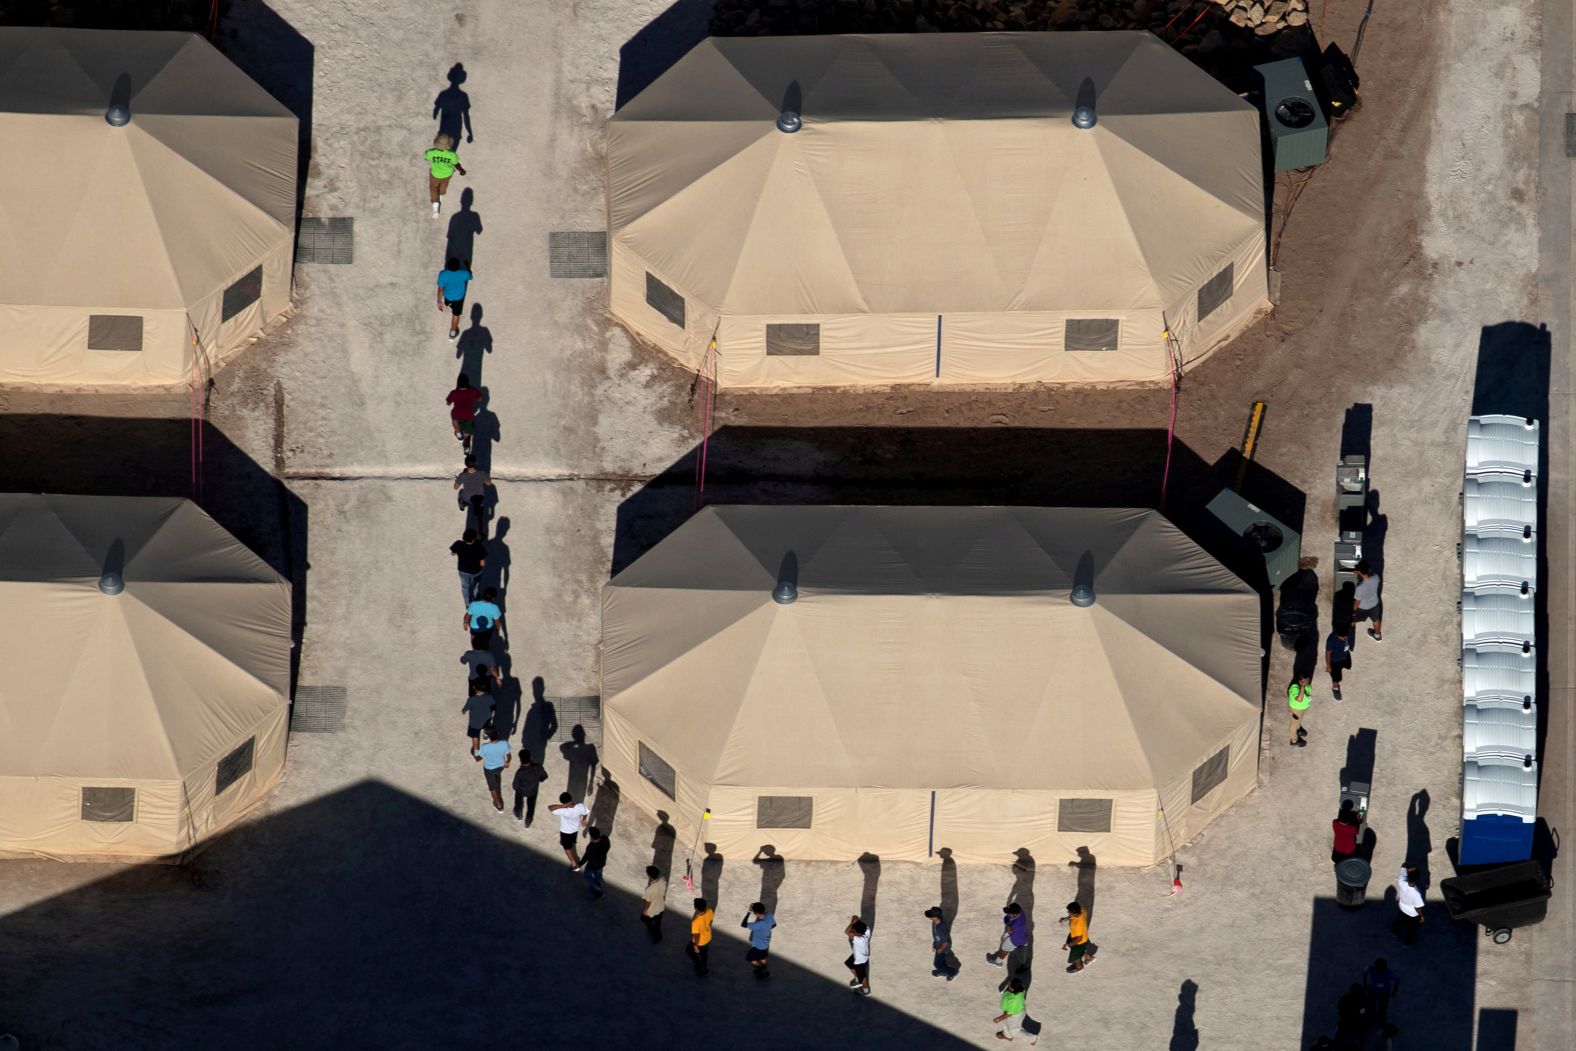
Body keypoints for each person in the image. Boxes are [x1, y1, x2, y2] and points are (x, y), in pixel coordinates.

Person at [424, 133, 466, 217]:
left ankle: (435, 206)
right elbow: (456, 164)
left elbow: (425, 157)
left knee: (433, 188)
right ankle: (441, 194)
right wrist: (462, 170)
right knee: (444, 185)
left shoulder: (431, 152)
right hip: (447, 174)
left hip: (435, 174)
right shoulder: (452, 154)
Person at [548, 792, 589, 868]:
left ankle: (573, 863)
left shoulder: (563, 810)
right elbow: (585, 812)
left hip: (565, 831)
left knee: (567, 848)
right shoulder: (580, 806)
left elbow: (550, 807)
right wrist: (584, 819)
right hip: (575, 829)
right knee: (572, 841)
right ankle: (571, 843)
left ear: (563, 802)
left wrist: (563, 806)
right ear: (571, 798)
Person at [436, 257, 474, 340]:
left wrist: (439, 301)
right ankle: (452, 333)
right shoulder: (463, 273)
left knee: (449, 302)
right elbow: (471, 277)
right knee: (456, 315)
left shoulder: (442, 274)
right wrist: (468, 267)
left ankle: (448, 304)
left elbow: (441, 289)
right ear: (458, 266)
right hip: (459, 298)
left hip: (448, 296)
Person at [476, 725, 510, 813]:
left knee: (492, 788)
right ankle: (497, 777)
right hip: (500, 767)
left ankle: (499, 806)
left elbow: (478, 759)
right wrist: (507, 761)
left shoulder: (485, 747)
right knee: (497, 777)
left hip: (489, 769)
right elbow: (509, 755)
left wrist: (476, 750)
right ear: (498, 733)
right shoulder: (504, 743)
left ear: (488, 736)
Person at [993, 977, 1037, 1044]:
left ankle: (1032, 1038)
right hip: (1009, 1011)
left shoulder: (1014, 1000)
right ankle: (1007, 1036)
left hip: (1015, 1016)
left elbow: (1009, 1014)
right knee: (1005, 1023)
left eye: (1010, 984)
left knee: (1014, 1031)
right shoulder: (1017, 990)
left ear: (1012, 988)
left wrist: (999, 1018)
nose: (1008, 983)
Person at [446, 375, 484, 452]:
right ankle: (466, 449)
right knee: (467, 435)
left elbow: (448, 403)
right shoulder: (472, 391)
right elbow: (480, 398)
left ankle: (459, 435)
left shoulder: (454, 393)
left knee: (455, 420)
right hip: (469, 416)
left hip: (457, 415)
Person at [511, 748, 548, 826]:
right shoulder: (538, 767)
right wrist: (539, 780)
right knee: (531, 807)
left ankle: (519, 815)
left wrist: (516, 788)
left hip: (521, 791)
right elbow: (545, 776)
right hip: (533, 791)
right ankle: (528, 823)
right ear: (530, 757)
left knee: (518, 803)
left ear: (520, 760)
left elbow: (515, 785)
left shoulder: (520, 772)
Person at [449, 528, 486, 605]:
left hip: (463, 570)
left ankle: (467, 603)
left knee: (465, 587)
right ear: (474, 538)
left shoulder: (458, 544)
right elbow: (482, 563)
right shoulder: (480, 547)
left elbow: (452, 553)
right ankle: (475, 597)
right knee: (476, 585)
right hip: (476, 571)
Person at [986, 902, 1028, 967]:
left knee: (1004, 948)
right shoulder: (1019, 911)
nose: (1007, 913)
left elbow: (1009, 930)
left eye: (1009, 912)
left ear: (1014, 914)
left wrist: (1004, 936)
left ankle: (997, 962)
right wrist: (1007, 925)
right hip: (1023, 938)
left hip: (1015, 940)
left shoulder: (1016, 925)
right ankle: (1023, 963)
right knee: (1022, 956)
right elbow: (1008, 920)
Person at [741, 902, 776, 980]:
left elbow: (743, 924)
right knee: (763, 957)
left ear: (756, 913)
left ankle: (762, 971)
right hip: (765, 943)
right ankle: (764, 970)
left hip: (758, 946)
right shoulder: (769, 914)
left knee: (749, 958)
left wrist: (749, 911)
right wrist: (765, 930)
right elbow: (774, 925)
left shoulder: (759, 924)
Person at [453, 454, 493, 522]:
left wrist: (458, 479)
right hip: (480, 498)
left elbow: (455, 487)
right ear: (476, 463)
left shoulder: (462, 475)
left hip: (467, 498)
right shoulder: (482, 474)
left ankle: (462, 504)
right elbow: (489, 484)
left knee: (461, 491)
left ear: (465, 464)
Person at [1061, 900, 1097, 973]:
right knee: (1074, 948)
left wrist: (1067, 945)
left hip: (1079, 942)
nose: (1068, 912)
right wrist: (1066, 919)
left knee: (1075, 956)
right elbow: (1072, 916)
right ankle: (1089, 958)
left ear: (1075, 913)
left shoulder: (1078, 925)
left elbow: (1078, 939)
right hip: (1079, 935)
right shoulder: (1081, 909)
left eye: (1069, 911)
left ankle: (1079, 967)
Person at [461, 678, 494, 756]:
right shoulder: (490, 697)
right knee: (486, 727)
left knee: (475, 737)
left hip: (474, 722)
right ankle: (485, 735)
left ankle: (476, 753)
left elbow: (465, 708)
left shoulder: (471, 699)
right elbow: (493, 706)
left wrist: (463, 711)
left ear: (474, 688)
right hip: (487, 719)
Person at [1393, 864, 1424, 944]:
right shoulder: (1416, 893)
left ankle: (1395, 932)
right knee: (1411, 929)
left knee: (1399, 920)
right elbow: (1418, 907)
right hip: (1412, 914)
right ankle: (1407, 942)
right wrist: (1421, 915)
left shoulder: (1401, 881)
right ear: (1417, 879)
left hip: (1402, 907)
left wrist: (1408, 867)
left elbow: (1403, 865)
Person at [1363, 958, 1400, 1027]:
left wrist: (1395, 990)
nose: (1378, 968)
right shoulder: (1372, 969)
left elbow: (1397, 980)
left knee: (1382, 1007)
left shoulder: (1388, 972)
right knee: (1372, 1006)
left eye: (1380, 967)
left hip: (1383, 992)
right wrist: (1364, 984)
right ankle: (1374, 1019)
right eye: (1377, 966)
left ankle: (1380, 1019)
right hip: (1375, 991)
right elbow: (1364, 972)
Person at [924, 906, 957, 981]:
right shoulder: (935, 921)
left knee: (937, 964)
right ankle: (944, 970)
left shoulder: (940, 928)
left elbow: (945, 942)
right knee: (941, 961)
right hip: (938, 944)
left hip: (943, 948)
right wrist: (935, 944)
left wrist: (940, 949)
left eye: (931, 916)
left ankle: (952, 972)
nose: (930, 917)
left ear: (936, 917)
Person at [1353, 560, 1383, 641]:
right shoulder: (1376, 577)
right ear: (1369, 569)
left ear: (1359, 572)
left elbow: (1357, 602)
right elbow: (1368, 582)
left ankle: (1349, 637)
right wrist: (1360, 575)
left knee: (1352, 620)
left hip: (1363, 608)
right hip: (1375, 604)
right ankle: (1377, 636)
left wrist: (1352, 611)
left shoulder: (1359, 588)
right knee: (1376, 620)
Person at [844, 916, 872, 996]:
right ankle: (857, 979)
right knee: (849, 963)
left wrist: (852, 923)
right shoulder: (867, 930)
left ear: (857, 933)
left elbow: (847, 932)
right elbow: (855, 917)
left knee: (862, 977)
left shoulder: (858, 940)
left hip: (860, 961)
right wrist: (855, 923)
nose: (853, 930)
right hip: (859, 956)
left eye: (855, 930)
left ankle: (866, 991)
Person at [581, 827, 611, 900]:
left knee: (587, 876)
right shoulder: (605, 839)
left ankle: (598, 891)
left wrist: (578, 864)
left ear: (591, 837)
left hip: (592, 865)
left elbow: (585, 858)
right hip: (601, 863)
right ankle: (597, 889)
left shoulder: (591, 847)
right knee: (598, 876)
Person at [687, 898, 714, 977]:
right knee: (704, 954)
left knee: (689, 951)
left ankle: (700, 967)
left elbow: (696, 935)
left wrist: (695, 946)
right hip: (708, 937)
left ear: (696, 908)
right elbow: (711, 921)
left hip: (700, 942)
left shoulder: (695, 922)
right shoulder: (710, 910)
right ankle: (704, 966)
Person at [640, 865, 667, 943]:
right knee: (658, 921)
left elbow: (648, 902)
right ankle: (657, 929)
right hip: (661, 906)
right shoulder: (663, 880)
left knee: (644, 920)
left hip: (652, 910)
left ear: (649, 876)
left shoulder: (649, 890)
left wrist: (645, 911)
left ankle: (657, 935)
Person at [1325, 625, 1353, 700]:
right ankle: (1335, 689)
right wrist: (1328, 666)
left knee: (1348, 666)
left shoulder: (1347, 632)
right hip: (1335, 661)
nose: (1345, 638)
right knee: (1336, 679)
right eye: (1343, 637)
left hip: (1345, 655)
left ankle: (1342, 667)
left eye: (1346, 636)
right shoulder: (1331, 640)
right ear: (1337, 635)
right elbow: (1328, 653)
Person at [1288, 676, 1312, 747]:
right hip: (1296, 710)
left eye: (1307, 679)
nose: (1307, 680)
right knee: (1294, 725)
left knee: (1298, 720)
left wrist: (1305, 686)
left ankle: (1298, 729)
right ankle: (1294, 740)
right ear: (1300, 682)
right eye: (1304, 680)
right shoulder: (1294, 688)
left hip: (1302, 708)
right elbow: (1299, 699)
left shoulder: (1307, 686)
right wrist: (1302, 687)